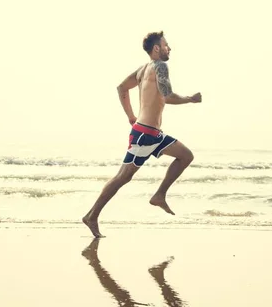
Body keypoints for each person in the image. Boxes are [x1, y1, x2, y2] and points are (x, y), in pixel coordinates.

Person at [82, 31, 202, 237]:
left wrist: (131, 116)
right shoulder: (160, 66)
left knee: (186, 156)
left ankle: (159, 195)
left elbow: (121, 88)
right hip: (145, 134)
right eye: (166, 45)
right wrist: (190, 99)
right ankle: (91, 216)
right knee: (123, 176)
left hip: (151, 134)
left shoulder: (142, 70)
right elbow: (168, 96)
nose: (169, 48)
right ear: (156, 48)